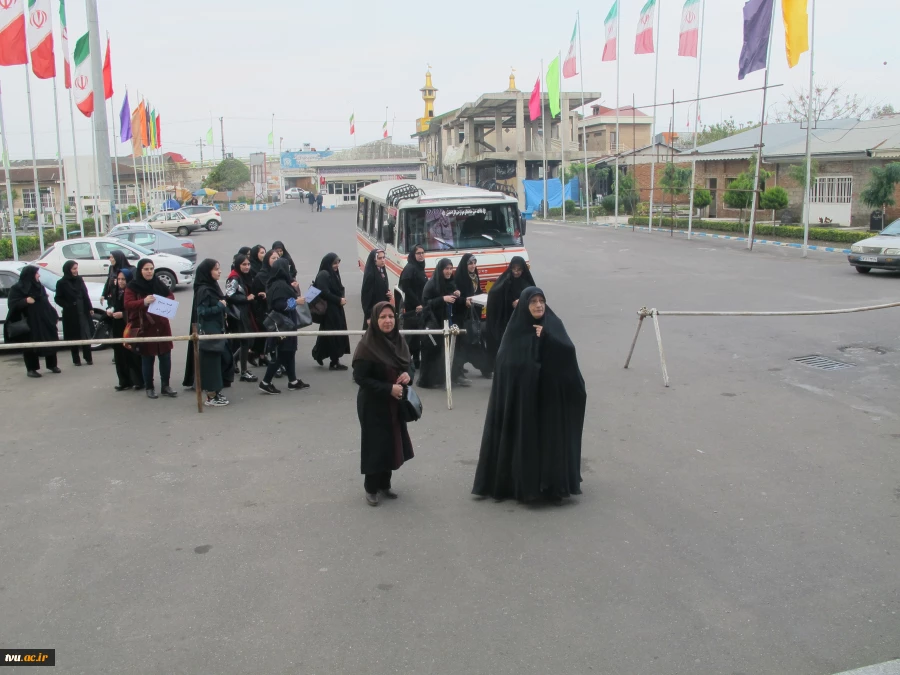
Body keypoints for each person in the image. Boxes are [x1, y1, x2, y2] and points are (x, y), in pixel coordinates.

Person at [472, 287, 586, 503]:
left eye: (541, 300)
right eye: (533, 301)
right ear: (525, 305)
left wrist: (547, 339)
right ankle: (523, 485)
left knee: (548, 442)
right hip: (523, 404)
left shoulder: (554, 325)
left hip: (549, 402)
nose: (538, 305)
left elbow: (568, 355)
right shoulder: (515, 333)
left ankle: (551, 486)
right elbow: (506, 365)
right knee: (524, 442)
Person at [352, 302, 414, 507]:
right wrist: (388, 388)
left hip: (393, 403)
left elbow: (408, 365)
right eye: (383, 317)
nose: (387, 321)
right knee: (375, 444)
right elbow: (360, 378)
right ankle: (371, 487)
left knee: (391, 441)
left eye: (390, 316)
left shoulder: (398, 340)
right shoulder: (367, 346)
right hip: (373, 404)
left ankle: (385, 484)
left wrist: (407, 375)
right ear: (374, 320)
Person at [124, 258, 178, 399]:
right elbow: (128, 304)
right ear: (140, 270)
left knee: (165, 357)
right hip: (145, 327)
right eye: (146, 269)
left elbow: (170, 295)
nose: (149, 272)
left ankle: (166, 386)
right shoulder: (133, 286)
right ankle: (149, 387)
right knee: (148, 358)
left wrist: (164, 300)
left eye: (151, 269)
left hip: (162, 325)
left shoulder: (158, 283)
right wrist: (144, 302)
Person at [258, 257, 310, 394]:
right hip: (283, 325)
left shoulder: (278, 283)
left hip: (286, 324)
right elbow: (279, 305)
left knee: (290, 351)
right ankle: (265, 382)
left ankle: (292, 381)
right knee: (282, 353)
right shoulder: (280, 285)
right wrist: (295, 302)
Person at [417, 257, 467, 389]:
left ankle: (443, 378)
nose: (449, 272)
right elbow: (426, 303)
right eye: (446, 269)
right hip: (434, 323)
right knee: (432, 352)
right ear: (441, 269)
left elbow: (453, 300)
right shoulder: (432, 284)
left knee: (445, 351)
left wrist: (458, 295)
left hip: (447, 321)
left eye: (451, 269)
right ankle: (427, 381)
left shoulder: (450, 283)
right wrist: (442, 299)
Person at [4, 265, 59, 377]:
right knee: (30, 346)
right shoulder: (17, 288)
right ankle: (31, 369)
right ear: (30, 275)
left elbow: (45, 302)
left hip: (44, 320)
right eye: (36, 273)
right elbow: (12, 305)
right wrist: (25, 301)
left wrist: (53, 315)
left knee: (50, 341)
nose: (39, 275)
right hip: (30, 322)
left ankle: (52, 365)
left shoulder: (39, 286)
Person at [485, 256, 536, 366]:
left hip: (523, 321)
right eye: (514, 269)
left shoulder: (527, 283)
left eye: (519, 269)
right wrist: (509, 302)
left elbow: (535, 299)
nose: (516, 272)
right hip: (507, 319)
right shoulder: (505, 281)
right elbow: (494, 294)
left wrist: (522, 301)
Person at [194, 259, 231, 407]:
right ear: (207, 272)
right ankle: (211, 395)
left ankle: (216, 391)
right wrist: (219, 306)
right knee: (211, 364)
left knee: (224, 359)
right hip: (210, 333)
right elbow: (202, 312)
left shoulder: (212, 286)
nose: (219, 271)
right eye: (216, 269)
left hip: (218, 330)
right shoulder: (204, 290)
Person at [311, 252, 350, 370]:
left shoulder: (333, 273)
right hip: (329, 310)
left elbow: (339, 287)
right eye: (334, 263)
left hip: (336, 309)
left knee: (327, 334)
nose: (336, 265)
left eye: (337, 263)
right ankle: (334, 361)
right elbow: (324, 292)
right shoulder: (324, 274)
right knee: (334, 335)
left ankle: (319, 354)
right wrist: (339, 300)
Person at [107, 268, 144, 391]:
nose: (121, 282)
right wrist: (109, 310)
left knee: (132, 353)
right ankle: (124, 381)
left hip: (130, 326)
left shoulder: (133, 292)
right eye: (119, 279)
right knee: (119, 355)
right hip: (117, 327)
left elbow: (134, 308)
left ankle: (138, 381)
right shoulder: (115, 291)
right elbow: (112, 303)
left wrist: (123, 314)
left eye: (123, 279)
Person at [453, 253, 489, 377]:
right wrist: (465, 300)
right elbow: (457, 297)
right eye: (470, 264)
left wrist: (482, 297)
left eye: (474, 263)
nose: (473, 266)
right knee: (465, 341)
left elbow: (477, 291)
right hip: (463, 315)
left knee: (471, 340)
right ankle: (483, 369)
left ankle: (463, 367)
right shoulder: (459, 277)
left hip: (473, 312)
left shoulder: (474, 276)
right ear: (465, 265)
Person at [226, 254, 259, 382]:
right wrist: (246, 299)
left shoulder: (242, 276)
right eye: (244, 264)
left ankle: (233, 361)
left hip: (245, 312)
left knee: (248, 340)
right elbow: (229, 295)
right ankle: (244, 371)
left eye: (248, 264)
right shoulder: (234, 277)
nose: (247, 267)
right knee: (246, 341)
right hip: (238, 314)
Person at [54, 260, 94, 366]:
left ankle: (88, 358)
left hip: (83, 312)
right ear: (68, 270)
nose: (76, 271)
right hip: (71, 314)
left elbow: (85, 294)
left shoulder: (79, 280)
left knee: (85, 334)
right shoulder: (61, 283)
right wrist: (68, 305)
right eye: (74, 269)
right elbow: (58, 298)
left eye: (77, 268)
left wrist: (90, 307)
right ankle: (76, 359)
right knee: (74, 336)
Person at [398, 245, 427, 373]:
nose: (421, 255)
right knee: (410, 337)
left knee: (417, 336)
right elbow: (406, 288)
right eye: (418, 253)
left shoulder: (419, 267)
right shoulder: (410, 268)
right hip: (412, 309)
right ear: (413, 255)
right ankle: (405, 362)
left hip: (420, 307)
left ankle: (416, 360)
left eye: (422, 253)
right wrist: (416, 304)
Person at [360, 249, 392, 330]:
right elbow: (365, 297)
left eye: (383, 257)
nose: (382, 260)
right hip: (373, 313)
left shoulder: (382, 270)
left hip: (382, 309)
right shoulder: (370, 275)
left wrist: (389, 294)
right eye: (380, 258)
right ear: (374, 260)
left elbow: (382, 286)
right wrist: (368, 316)